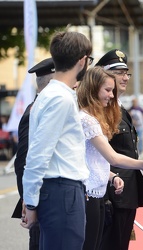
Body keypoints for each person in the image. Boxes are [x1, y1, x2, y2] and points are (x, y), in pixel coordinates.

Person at [21, 31, 92, 250]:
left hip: (58, 190)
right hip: (62, 191)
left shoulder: (49, 95)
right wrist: (30, 201)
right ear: (82, 61)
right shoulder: (60, 98)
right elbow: (39, 153)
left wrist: (30, 197)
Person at [76, 66, 143, 250]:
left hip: (98, 192)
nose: (111, 95)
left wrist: (112, 176)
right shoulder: (86, 120)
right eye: (108, 90)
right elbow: (113, 157)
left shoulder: (93, 118)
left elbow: (91, 160)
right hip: (89, 194)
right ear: (93, 89)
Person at [95, 49, 143, 250]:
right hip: (111, 193)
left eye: (126, 73)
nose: (125, 77)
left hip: (126, 192)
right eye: (118, 72)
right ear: (103, 75)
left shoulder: (121, 108)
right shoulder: (101, 109)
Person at [11, 57, 55, 250]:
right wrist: (29, 203)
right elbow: (23, 163)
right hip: (42, 202)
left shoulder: (47, 109)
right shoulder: (35, 112)